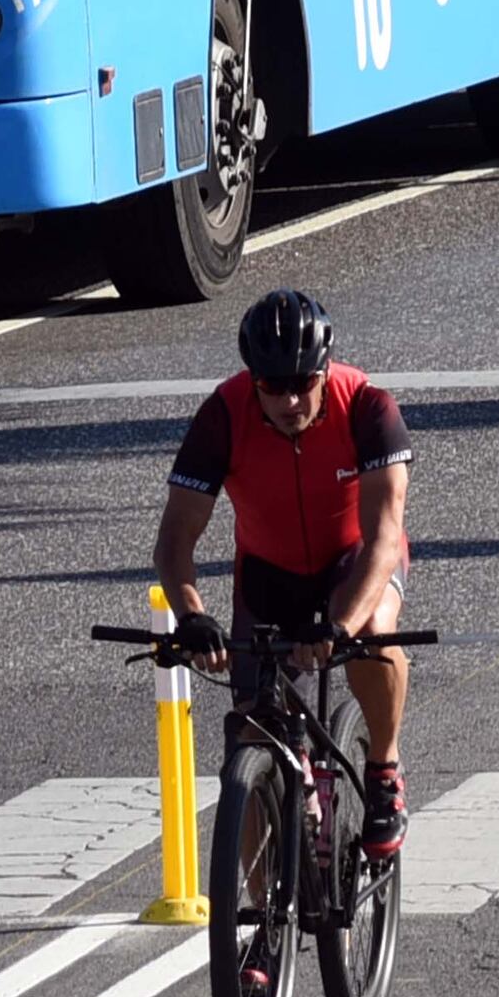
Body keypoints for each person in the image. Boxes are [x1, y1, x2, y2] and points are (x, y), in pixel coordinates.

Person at [151, 288, 417, 850]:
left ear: (325, 372)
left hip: (355, 562)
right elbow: (175, 541)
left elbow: (383, 538)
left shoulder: (370, 407)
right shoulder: (223, 416)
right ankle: (259, 918)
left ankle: (384, 771)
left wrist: (340, 624)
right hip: (269, 573)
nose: (291, 401)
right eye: (273, 386)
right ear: (253, 379)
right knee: (251, 736)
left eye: (303, 384)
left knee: (373, 635)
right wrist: (193, 617)